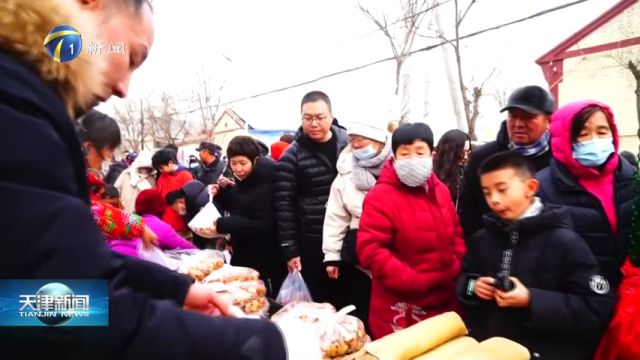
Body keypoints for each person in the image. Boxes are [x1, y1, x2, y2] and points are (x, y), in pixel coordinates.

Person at [0, 0, 287, 358]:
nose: (123, 87)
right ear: (89, 5)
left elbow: (32, 299)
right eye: (132, 58)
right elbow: (43, 310)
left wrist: (176, 289)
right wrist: (251, 343)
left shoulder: (24, 101)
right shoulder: (15, 110)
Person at [458, 151, 614, 359]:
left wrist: (532, 300)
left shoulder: (565, 242)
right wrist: (474, 287)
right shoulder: (482, 239)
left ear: (530, 188)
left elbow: (598, 307)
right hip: (493, 352)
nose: (493, 200)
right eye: (486, 192)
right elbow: (464, 283)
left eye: (502, 190)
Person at [357, 123, 466, 339]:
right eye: (405, 154)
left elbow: (456, 232)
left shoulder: (441, 190)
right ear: (395, 158)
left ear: (432, 155)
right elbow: (370, 250)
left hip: (445, 299)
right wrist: (411, 281)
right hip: (402, 305)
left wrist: (456, 264)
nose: (413, 159)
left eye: (419, 152)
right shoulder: (380, 196)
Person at [537, 100, 635, 290]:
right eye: (583, 134)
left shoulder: (631, 177)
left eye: (602, 132)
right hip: (579, 297)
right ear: (565, 140)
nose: (594, 140)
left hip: (629, 296)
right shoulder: (541, 187)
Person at [275, 90, 348, 305]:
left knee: (351, 297)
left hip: (348, 238)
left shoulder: (348, 146)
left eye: (319, 117)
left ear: (331, 117)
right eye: (308, 118)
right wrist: (290, 250)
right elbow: (283, 205)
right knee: (320, 300)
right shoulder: (292, 156)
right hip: (313, 240)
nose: (313, 123)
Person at [458, 85, 556, 239]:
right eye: (513, 116)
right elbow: (467, 210)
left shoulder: (559, 159)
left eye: (528, 117)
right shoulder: (483, 158)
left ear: (549, 120)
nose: (518, 124)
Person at [322, 119, 392, 330]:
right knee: (364, 310)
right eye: (352, 140)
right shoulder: (344, 175)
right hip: (361, 257)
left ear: (379, 141)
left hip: (397, 254)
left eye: (361, 139)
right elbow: (335, 217)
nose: (356, 145)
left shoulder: (399, 168)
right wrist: (331, 256)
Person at [211, 136, 287, 296]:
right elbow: (241, 205)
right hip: (243, 252)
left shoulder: (267, 184)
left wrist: (225, 224)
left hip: (263, 257)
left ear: (255, 160)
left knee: (259, 299)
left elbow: (262, 224)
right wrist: (221, 195)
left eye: (243, 163)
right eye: (234, 163)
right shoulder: (244, 180)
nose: (238, 168)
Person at [152, 148, 193, 233]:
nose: (160, 171)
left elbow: (189, 200)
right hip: (165, 222)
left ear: (170, 163)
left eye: (161, 168)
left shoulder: (185, 176)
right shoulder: (162, 177)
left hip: (180, 224)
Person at [76, 110, 122, 180]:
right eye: (110, 150)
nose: (110, 158)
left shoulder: (116, 177)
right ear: (88, 148)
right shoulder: (66, 181)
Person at [433, 129, 471, 208]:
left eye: (468, 152)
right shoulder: (431, 173)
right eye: (462, 152)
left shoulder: (465, 172)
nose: (466, 157)